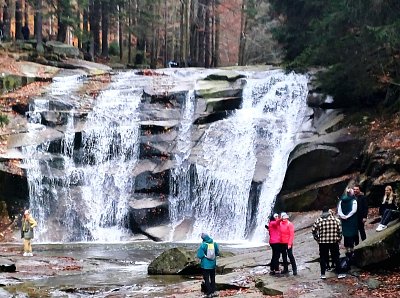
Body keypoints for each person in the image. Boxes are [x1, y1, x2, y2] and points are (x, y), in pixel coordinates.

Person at [312, 206, 342, 279]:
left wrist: (318, 239)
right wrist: (338, 239)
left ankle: (323, 274)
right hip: (334, 241)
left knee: (323, 258)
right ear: (329, 211)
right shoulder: (336, 220)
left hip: (323, 242)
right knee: (336, 257)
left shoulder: (318, 220)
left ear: (322, 212)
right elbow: (340, 231)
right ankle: (339, 273)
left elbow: (313, 231)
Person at [337, 188, 358, 278]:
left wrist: (343, 216)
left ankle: (347, 251)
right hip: (351, 220)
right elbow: (354, 210)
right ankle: (351, 253)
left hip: (344, 221)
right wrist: (348, 216)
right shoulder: (354, 201)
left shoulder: (341, 201)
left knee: (346, 236)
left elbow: (339, 210)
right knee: (352, 236)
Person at [196, 233, 220, 297]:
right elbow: (217, 252)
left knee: (206, 279)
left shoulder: (203, 245)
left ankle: (209, 292)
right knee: (212, 278)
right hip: (212, 265)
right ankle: (213, 291)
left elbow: (199, 255)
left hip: (205, 265)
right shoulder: (214, 243)